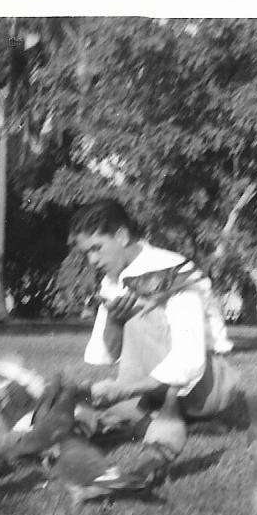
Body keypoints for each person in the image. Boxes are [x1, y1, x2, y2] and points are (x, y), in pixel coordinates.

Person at [70, 199, 239, 482]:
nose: (92, 261)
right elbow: (105, 355)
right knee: (83, 418)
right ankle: (158, 418)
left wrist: (126, 390)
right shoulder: (112, 281)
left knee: (140, 313)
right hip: (154, 388)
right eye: (86, 253)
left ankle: (172, 416)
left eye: (96, 248)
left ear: (122, 236)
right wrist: (113, 320)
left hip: (206, 385)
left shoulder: (171, 269)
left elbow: (189, 358)